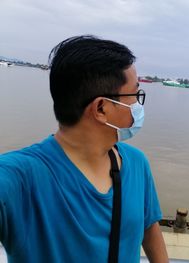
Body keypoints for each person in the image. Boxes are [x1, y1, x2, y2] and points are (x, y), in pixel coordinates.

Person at [0, 35, 168, 263]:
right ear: (101, 108)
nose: (138, 105)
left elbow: (149, 228)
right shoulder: (19, 177)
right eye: (134, 95)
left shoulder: (137, 163)